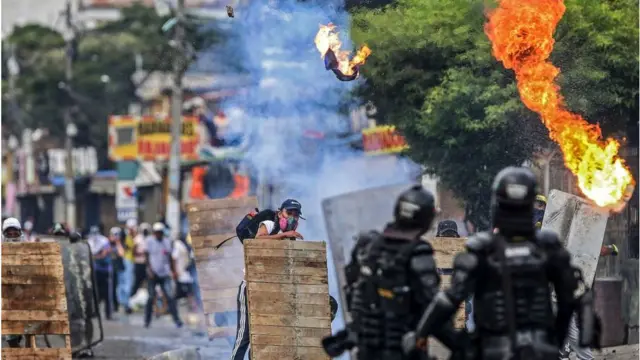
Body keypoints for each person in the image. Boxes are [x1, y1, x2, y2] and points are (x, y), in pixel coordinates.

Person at [404, 167, 601, 360]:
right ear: (530, 203)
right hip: (541, 350)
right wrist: (555, 342)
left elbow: (448, 302)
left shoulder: (481, 249)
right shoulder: (548, 247)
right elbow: (571, 301)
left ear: (496, 204)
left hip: (493, 350)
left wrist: (427, 336)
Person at [323, 185, 460, 360]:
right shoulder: (418, 253)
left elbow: (354, 297)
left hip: (368, 352)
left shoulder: (370, 247)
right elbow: (434, 311)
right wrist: (463, 345)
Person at [231, 199, 305, 360]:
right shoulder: (270, 224)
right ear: (280, 212)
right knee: (245, 336)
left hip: (269, 290)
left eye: (296, 215)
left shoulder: (289, 236)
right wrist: (285, 234)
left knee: (263, 334)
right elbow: (258, 239)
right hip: (250, 287)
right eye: (289, 213)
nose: (292, 217)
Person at [144, 222, 183, 329]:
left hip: (164, 274)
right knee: (151, 297)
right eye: (156, 232)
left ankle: (177, 320)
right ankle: (147, 321)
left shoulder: (167, 242)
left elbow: (170, 258)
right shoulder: (149, 241)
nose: (158, 234)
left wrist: (173, 271)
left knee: (170, 297)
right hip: (153, 274)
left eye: (160, 232)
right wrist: (149, 270)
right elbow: (146, 257)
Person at [2, 217, 26, 348]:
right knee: (11, 339)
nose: (12, 235)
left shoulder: (28, 248)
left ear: (20, 233)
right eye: (8, 233)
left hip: (27, 294)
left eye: (14, 233)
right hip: (7, 296)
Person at [87, 225, 113, 320]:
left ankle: (108, 313)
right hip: (95, 270)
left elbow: (105, 253)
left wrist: (96, 256)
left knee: (107, 294)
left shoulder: (104, 241)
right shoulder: (89, 241)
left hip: (105, 270)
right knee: (95, 293)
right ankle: (95, 312)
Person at [172, 234, 197, 312]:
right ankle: (173, 309)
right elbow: (174, 258)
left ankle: (192, 309)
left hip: (186, 273)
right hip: (181, 273)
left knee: (190, 292)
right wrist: (175, 271)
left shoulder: (187, 247)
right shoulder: (178, 245)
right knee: (180, 293)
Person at [121, 219, 137, 314]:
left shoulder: (127, 236)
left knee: (125, 282)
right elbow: (132, 249)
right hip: (128, 260)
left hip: (128, 260)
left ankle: (125, 303)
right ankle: (126, 304)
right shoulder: (128, 237)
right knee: (128, 283)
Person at [130, 222, 150, 300]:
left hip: (147, 264)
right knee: (136, 283)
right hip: (139, 264)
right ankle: (130, 301)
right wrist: (142, 254)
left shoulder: (149, 238)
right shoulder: (138, 239)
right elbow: (133, 252)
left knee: (149, 284)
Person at [108, 227, 125, 314]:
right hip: (110, 269)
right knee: (112, 288)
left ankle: (118, 304)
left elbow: (121, 253)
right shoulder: (107, 243)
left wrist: (118, 242)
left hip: (118, 269)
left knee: (119, 288)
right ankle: (112, 306)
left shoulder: (120, 244)